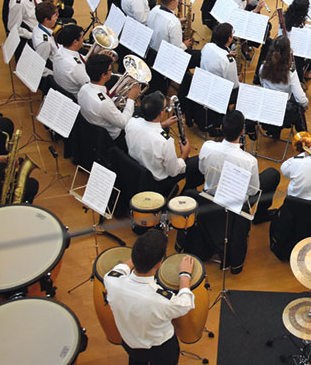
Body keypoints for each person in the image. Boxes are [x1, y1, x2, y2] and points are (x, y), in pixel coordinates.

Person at [104, 229, 196, 364]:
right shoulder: (162, 301)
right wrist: (185, 274)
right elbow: (185, 303)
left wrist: (141, 256)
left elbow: (122, 268)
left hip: (130, 344)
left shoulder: (111, 281)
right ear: (159, 264)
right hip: (161, 350)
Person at [199, 110, 280, 222]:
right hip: (235, 203)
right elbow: (253, 191)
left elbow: (202, 170)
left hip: (210, 194)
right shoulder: (250, 161)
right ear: (242, 132)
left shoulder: (207, 146)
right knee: (273, 174)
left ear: (221, 127)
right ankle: (260, 215)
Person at [127, 91, 201, 195]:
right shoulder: (165, 142)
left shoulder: (131, 122)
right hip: (158, 182)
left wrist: (163, 124)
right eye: (165, 107)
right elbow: (173, 171)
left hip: (137, 170)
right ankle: (184, 194)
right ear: (161, 113)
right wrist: (184, 153)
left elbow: (147, 129)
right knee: (198, 162)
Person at [78, 54, 138, 141]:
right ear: (103, 75)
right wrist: (131, 99)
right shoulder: (104, 103)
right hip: (110, 137)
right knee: (138, 114)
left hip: (91, 126)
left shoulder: (83, 88)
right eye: (110, 69)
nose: (112, 71)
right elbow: (124, 123)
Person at [52, 24, 90, 98]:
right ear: (75, 42)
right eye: (82, 37)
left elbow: (80, 59)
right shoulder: (75, 66)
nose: (83, 39)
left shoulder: (60, 50)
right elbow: (90, 85)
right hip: (80, 97)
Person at [32, 2, 58, 80]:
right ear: (46, 20)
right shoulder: (45, 43)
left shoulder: (37, 27)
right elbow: (38, 67)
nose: (56, 18)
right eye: (54, 16)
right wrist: (57, 75)